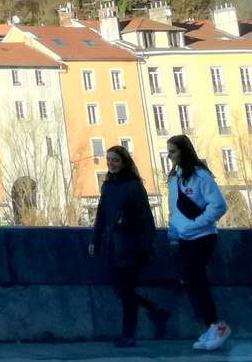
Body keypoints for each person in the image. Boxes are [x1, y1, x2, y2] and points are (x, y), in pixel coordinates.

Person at [89, 145, 170, 347]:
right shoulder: (107, 186)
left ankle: (128, 334)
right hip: (112, 247)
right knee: (121, 290)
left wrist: (148, 246)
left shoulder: (134, 186)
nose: (110, 163)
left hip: (130, 246)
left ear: (125, 162)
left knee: (125, 291)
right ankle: (154, 309)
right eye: (108, 160)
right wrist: (95, 239)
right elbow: (101, 215)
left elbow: (145, 217)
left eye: (115, 160)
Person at [165, 134, 230, 351]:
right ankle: (213, 325)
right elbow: (174, 209)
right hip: (185, 238)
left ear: (183, 151)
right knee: (194, 280)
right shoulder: (175, 178)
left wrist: (196, 224)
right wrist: (174, 236)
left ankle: (216, 325)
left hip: (203, 237)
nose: (169, 155)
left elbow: (218, 205)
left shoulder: (201, 176)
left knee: (189, 276)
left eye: (173, 151)